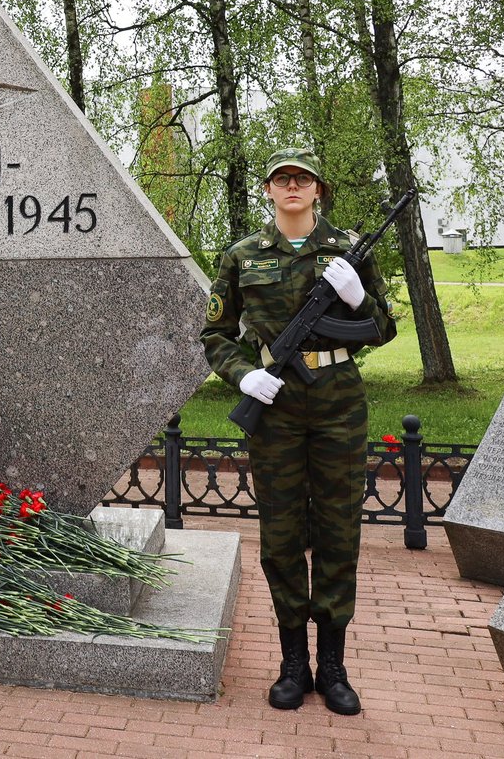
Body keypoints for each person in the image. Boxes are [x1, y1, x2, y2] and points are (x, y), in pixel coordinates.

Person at [201, 148, 397, 715]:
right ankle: (293, 662)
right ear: (268, 190)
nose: (292, 187)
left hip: (339, 403)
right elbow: (215, 333)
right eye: (282, 179)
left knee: (338, 532)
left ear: (318, 191)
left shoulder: (348, 250)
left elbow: (382, 327)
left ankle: (333, 665)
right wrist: (245, 376)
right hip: (277, 406)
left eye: (303, 179)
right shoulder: (242, 255)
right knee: (282, 534)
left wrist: (359, 298)